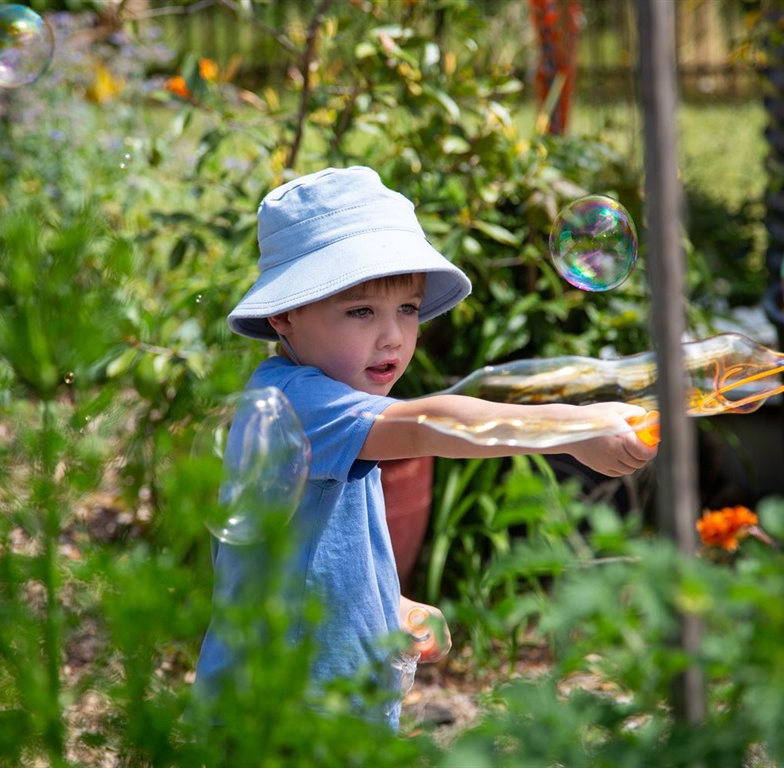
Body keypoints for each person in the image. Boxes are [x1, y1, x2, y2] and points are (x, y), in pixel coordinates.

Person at [193, 166, 657, 731]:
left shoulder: (321, 400)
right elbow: (429, 424)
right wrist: (571, 427)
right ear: (285, 314)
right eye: (361, 311)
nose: (391, 336)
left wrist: (389, 604)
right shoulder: (298, 404)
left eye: (407, 309)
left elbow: (311, 560)